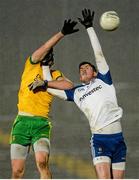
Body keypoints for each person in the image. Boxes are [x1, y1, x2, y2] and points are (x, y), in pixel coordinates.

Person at [30, 9, 127, 179]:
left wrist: (89, 28)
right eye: (80, 68)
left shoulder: (104, 80)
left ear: (95, 72)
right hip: (100, 140)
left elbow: (99, 55)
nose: (82, 68)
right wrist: (45, 70)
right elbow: (53, 90)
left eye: (87, 67)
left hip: (118, 139)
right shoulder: (77, 92)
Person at [10, 19, 79, 179]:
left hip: (41, 123)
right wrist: (61, 34)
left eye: (50, 55)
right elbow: (45, 47)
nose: (47, 56)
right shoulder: (31, 65)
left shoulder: (54, 75)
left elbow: (69, 85)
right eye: (46, 54)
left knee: (42, 162)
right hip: (22, 122)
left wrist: (46, 83)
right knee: (17, 171)